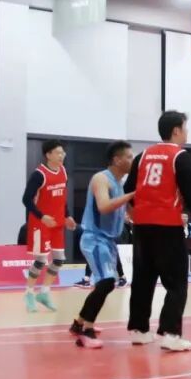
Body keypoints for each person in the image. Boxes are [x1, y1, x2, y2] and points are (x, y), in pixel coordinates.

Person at [124, 111, 191, 352]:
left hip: (142, 226)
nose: (187, 133)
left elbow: (129, 189)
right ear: (176, 131)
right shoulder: (180, 156)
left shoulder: (142, 156)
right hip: (168, 227)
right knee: (177, 282)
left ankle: (139, 330)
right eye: (185, 128)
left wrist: (140, 210)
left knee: (143, 279)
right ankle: (171, 333)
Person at [69, 141, 135, 348]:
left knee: (106, 284)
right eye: (129, 157)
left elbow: (123, 212)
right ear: (117, 160)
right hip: (95, 239)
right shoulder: (101, 178)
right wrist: (132, 195)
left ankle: (78, 323)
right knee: (106, 282)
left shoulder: (119, 184)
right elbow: (104, 206)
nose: (132, 160)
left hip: (108, 241)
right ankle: (86, 332)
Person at [22, 139, 77, 312]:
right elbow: (26, 199)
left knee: (59, 259)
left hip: (57, 223)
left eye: (63, 152)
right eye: (58, 153)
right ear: (48, 155)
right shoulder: (39, 174)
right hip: (41, 223)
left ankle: (44, 293)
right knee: (40, 261)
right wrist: (42, 216)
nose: (62, 155)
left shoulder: (63, 171)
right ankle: (29, 294)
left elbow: (62, 197)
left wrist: (67, 215)